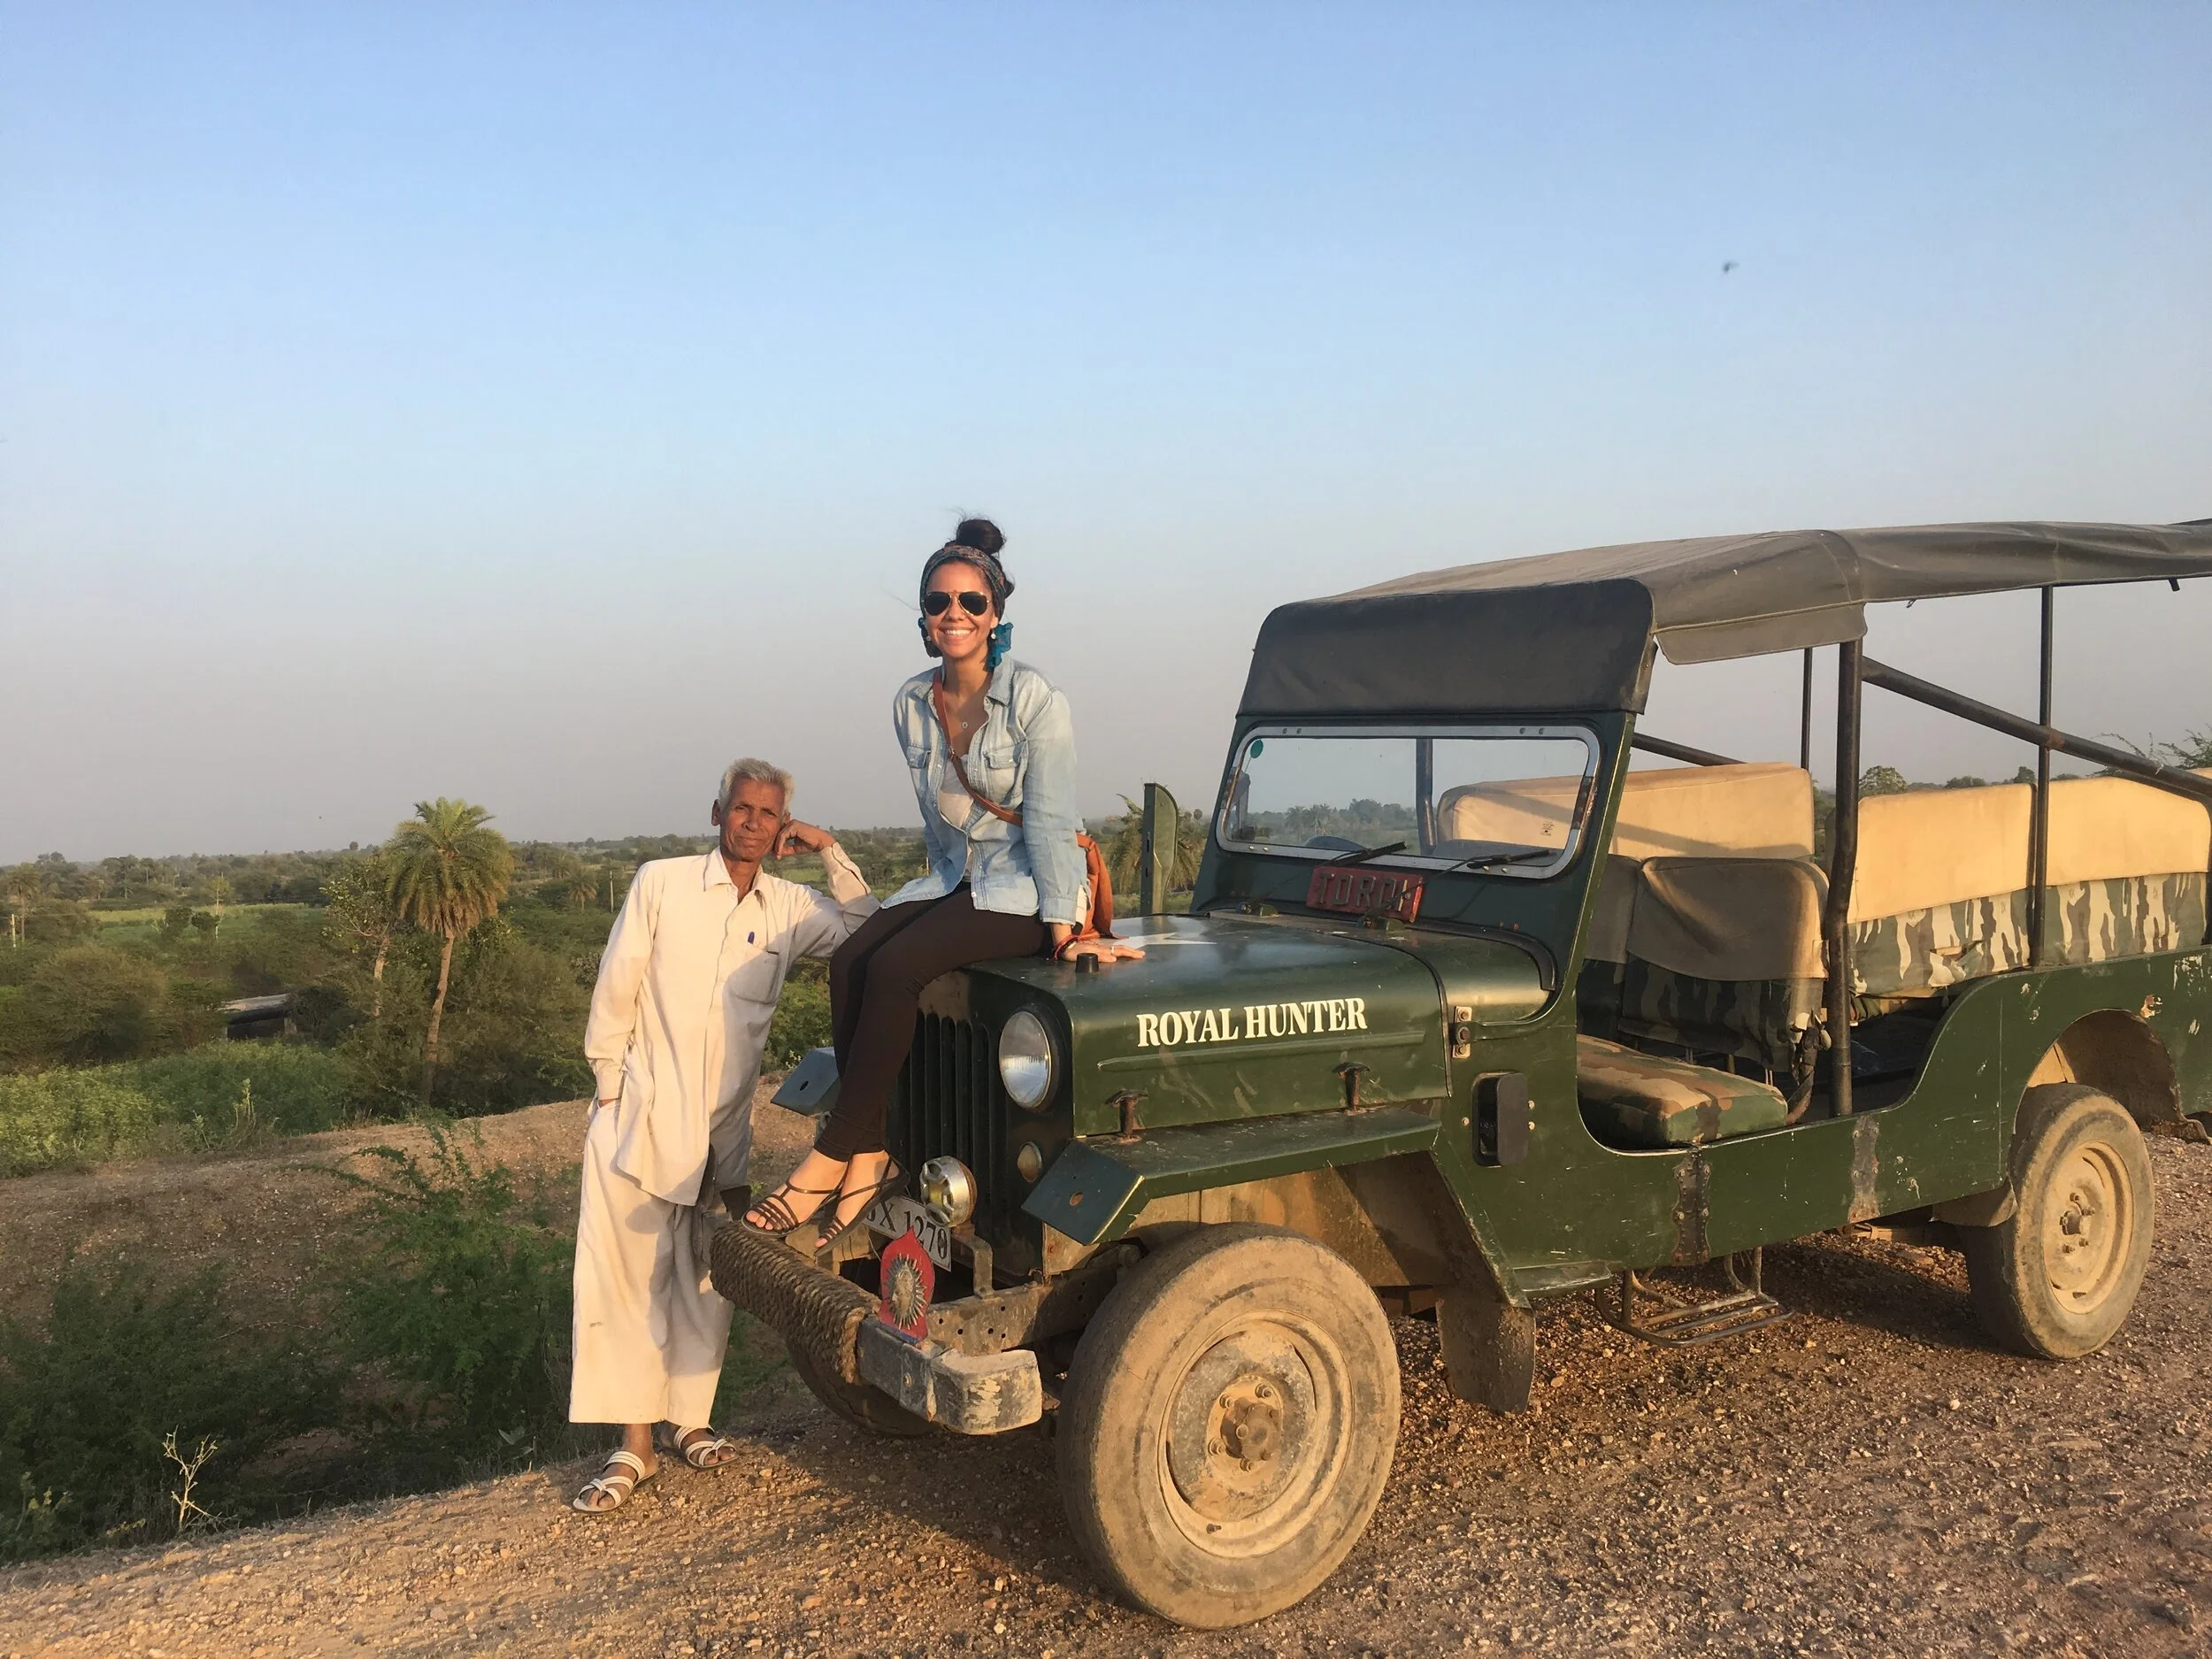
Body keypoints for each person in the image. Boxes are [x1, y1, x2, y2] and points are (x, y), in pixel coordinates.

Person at [745, 518, 1141, 1238]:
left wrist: (1068, 931)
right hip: (960, 877)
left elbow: (1052, 820)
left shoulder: (1035, 702)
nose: (954, 613)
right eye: (938, 602)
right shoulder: (910, 704)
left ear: (996, 616)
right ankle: (869, 1153)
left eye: (971, 602)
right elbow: (941, 827)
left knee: (895, 966)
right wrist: (930, 890)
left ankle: (827, 1161)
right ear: (925, 619)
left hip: (1025, 889)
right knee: (852, 962)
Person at [568, 757, 877, 1513]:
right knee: (628, 1277)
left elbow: (869, 934)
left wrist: (830, 849)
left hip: (722, 1130)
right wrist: (610, 1088)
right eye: (741, 808)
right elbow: (618, 984)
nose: (752, 822)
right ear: (717, 813)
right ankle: (632, 1445)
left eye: (768, 814)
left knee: (709, 1276)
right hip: (639, 1119)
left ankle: (690, 1421)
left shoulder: (790, 907)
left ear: (780, 829)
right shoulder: (662, 882)